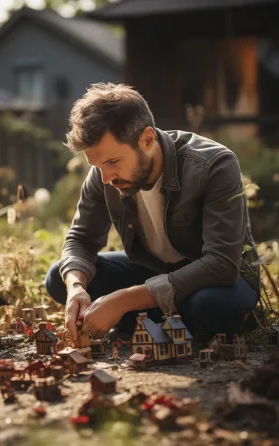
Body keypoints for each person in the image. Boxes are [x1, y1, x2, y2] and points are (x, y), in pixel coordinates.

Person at [45, 83, 260, 344]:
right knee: (60, 277)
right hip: (154, 271)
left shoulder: (213, 165)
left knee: (212, 307)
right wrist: (76, 289)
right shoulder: (103, 176)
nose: (105, 177)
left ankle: (144, 317)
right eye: (97, 165)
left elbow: (222, 264)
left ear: (147, 139)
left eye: (113, 161)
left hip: (215, 277)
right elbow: (80, 241)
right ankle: (159, 319)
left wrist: (124, 300)